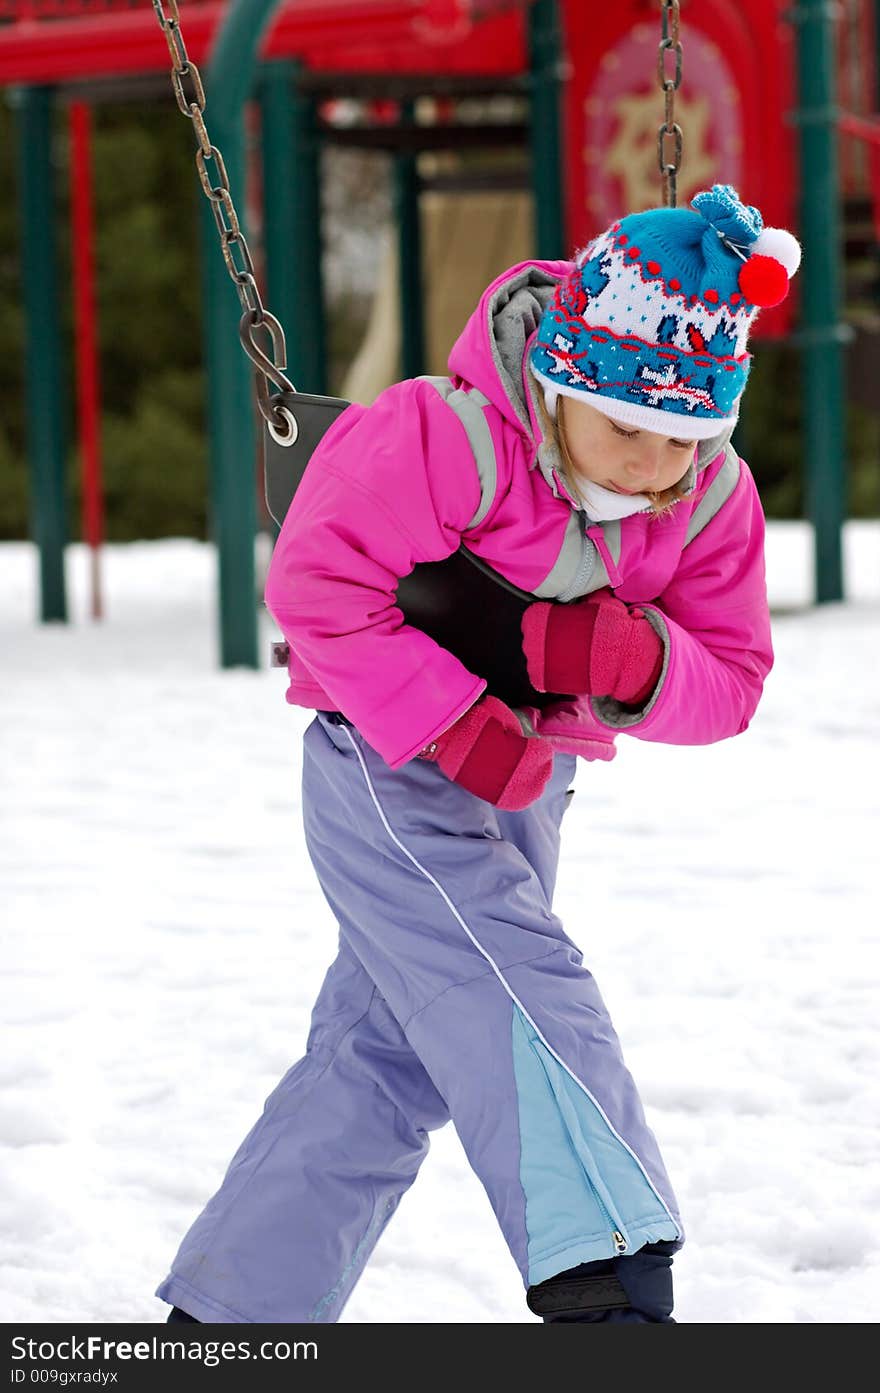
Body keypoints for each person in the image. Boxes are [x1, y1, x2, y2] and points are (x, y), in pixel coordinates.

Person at [156, 184, 800, 1324]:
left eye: (686, 435)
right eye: (623, 428)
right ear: (556, 381)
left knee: (388, 1056)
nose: (652, 461)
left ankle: (231, 1319)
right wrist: (451, 722)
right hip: (383, 761)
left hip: (527, 786)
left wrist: (632, 660)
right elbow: (317, 584)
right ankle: (604, 1259)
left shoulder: (708, 501)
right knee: (506, 973)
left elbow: (731, 679)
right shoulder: (444, 435)